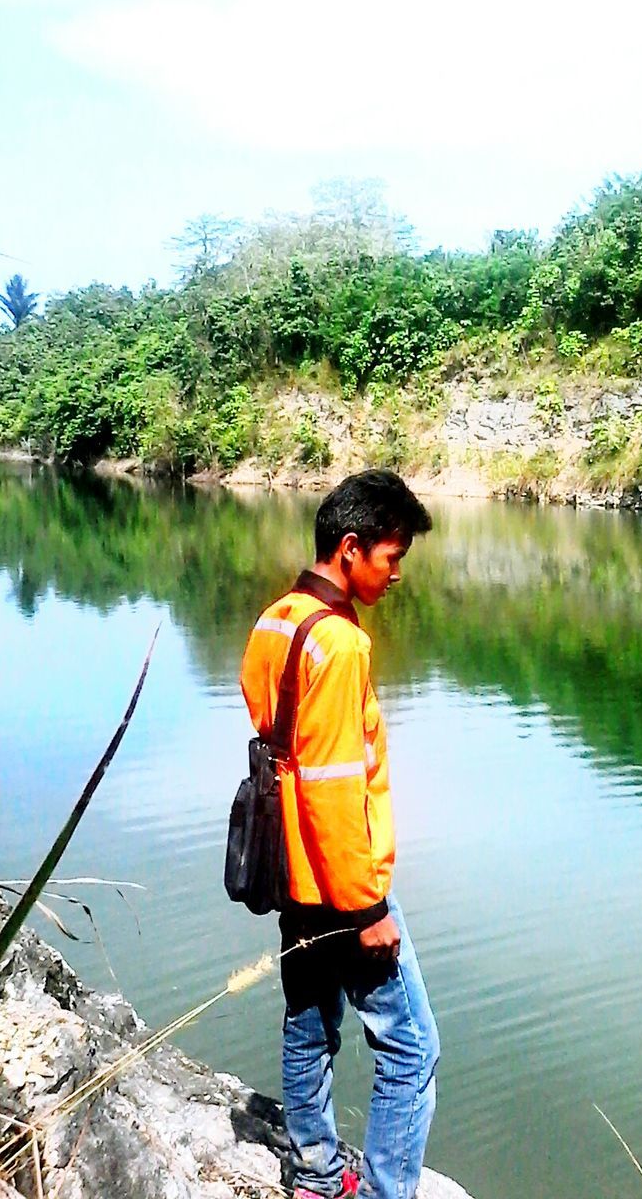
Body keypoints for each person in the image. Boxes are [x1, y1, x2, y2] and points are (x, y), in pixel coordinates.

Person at [239, 470, 440, 1199]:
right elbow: (330, 789)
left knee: (309, 1021)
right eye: (391, 558)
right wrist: (367, 910)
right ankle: (388, 1191)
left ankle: (317, 1174)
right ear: (350, 548)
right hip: (339, 887)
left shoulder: (276, 620)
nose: (395, 575)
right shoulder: (342, 645)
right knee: (412, 1051)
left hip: (289, 874)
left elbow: (278, 743)